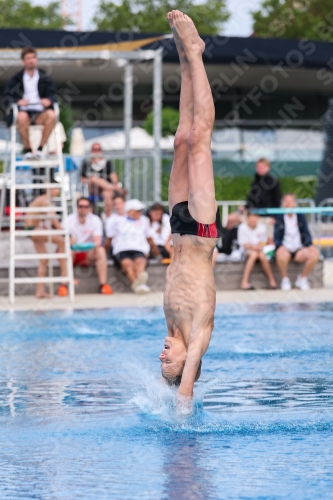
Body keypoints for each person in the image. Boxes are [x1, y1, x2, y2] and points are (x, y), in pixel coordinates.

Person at [160, 11, 223, 406]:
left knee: (181, 138)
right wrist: (181, 395)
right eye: (168, 362)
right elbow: (186, 394)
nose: (163, 354)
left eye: (162, 359)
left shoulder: (170, 326)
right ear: (187, 365)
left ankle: (183, 59)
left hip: (178, 228)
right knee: (200, 139)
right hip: (200, 229)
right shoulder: (198, 338)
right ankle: (197, 53)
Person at [3, 46, 57, 159]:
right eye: (28, 58)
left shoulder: (45, 78)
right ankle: (28, 149)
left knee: (52, 115)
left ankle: (40, 149)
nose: (31, 60)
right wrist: (17, 101)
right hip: (24, 112)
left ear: (36, 59)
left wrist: (49, 100)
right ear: (23, 61)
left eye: (33, 57)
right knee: (21, 117)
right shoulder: (16, 79)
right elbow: (6, 97)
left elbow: (53, 95)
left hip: (40, 112)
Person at [105, 199, 161, 294]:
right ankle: (138, 284)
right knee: (127, 264)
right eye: (137, 210)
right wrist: (104, 252)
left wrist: (157, 253)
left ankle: (138, 283)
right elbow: (110, 238)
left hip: (139, 248)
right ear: (129, 210)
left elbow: (149, 238)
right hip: (121, 249)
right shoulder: (117, 221)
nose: (139, 212)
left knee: (140, 261)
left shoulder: (144, 220)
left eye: (140, 210)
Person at [62, 197, 113, 294]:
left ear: (90, 208)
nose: (83, 209)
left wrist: (89, 249)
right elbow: (65, 241)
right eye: (81, 206)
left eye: (86, 206)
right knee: (67, 252)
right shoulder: (68, 220)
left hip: (88, 253)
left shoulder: (95, 220)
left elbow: (97, 242)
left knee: (101, 251)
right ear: (76, 207)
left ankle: (103, 285)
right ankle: (64, 285)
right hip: (72, 252)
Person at [25, 187, 69, 298]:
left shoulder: (41, 199)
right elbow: (53, 218)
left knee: (44, 259)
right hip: (34, 229)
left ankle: (39, 291)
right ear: (47, 189)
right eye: (55, 189)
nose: (58, 191)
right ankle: (65, 275)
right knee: (62, 241)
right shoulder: (46, 200)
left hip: (31, 229)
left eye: (59, 189)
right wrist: (63, 232)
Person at [227, 158, 282, 243]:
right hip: (251, 213)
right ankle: (227, 247)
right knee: (231, 219)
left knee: (269, 238)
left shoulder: (273, 181)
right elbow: (251, 200)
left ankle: (269, 254)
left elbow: (277, 200)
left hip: (265, 215)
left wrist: (274, 216)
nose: (260, 169)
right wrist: (244, 207)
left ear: (268, 168)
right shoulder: (255, 180)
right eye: (258, 167)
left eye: (262, 167)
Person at [274, 193, 319, 290]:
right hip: (285, 247)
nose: (289, 204)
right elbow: (276, 236)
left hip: (299, 248)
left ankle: (302, 278)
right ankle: (285, 279)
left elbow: (306, 233)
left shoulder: (300, 216)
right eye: (286, 201)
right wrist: (280, 246)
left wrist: (309, 245)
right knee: (280, 254)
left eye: (291, 201)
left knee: (315, 254)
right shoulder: (279, 217)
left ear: (295, 203)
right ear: (283, 203)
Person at [81, 143, 123, 217]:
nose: (96, 151)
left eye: (98, 149)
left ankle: (107, 219)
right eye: (94, 149)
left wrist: (115, 182)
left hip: (105, 189)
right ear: (91, 151)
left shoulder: (107, 162)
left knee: (108, 194)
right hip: (92, 189)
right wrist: (92, 180)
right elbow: (82, 179)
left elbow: (113, 175)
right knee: (93, 179)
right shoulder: (86, 163)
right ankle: (116, 189)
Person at [238, 212, 277, 290]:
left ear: (258, 218)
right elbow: (244, 244)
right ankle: (244, 282)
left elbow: (263, 242)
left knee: (261, 255)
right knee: (254, 254)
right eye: (251, 217)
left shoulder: (262, 227)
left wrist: (259, 246)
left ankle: (272, 281)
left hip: (258, 250)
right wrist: (253, 247)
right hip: (245, 250)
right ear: (247, 218)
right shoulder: (242, 227)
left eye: (254, 217)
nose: (252, 220)